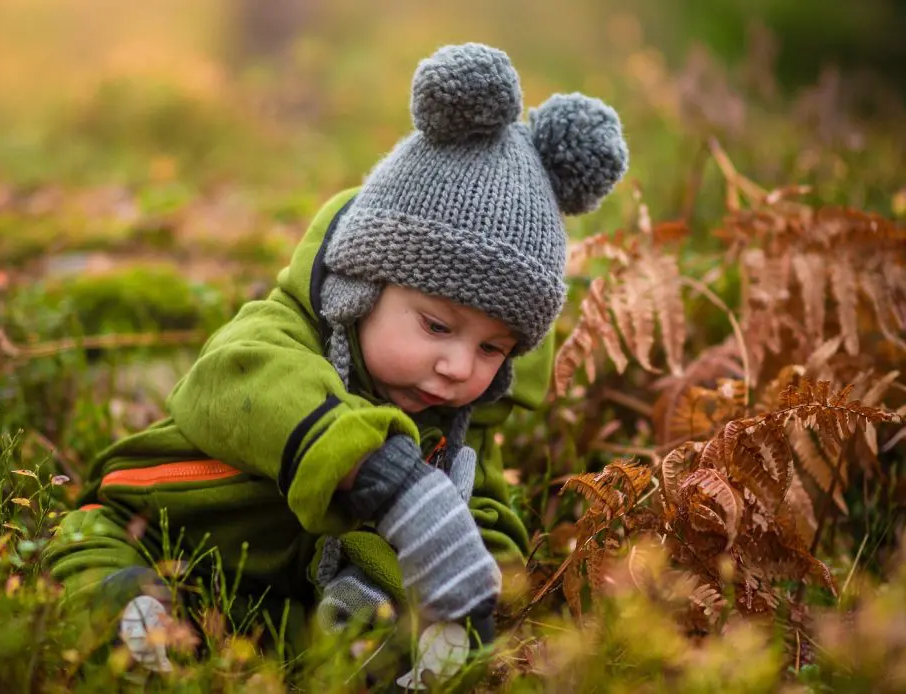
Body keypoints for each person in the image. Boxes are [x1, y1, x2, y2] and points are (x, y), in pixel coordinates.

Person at [43, 41, 627, 678]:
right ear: (361, 288)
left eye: (493, 348)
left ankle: (358, 647)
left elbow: (483, 506)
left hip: (273, 598)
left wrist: (472, 587)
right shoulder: (279, 335)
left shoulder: (456, 423)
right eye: (436, 326)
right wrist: (383, 473)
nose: (459, 366)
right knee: (95, 553)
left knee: (380, 614)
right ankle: (128, 618)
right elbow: (236, 380)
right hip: (158, 527)